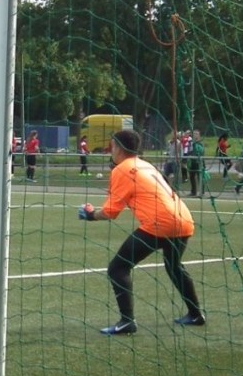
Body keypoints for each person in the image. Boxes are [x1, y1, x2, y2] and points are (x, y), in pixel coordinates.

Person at [77, 130, 204, 335]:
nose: (111, 150)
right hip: (184, 220)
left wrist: (90, 215)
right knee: (174, 267)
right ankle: (196, 314)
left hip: (160, 224)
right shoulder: (145, 164)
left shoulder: (123, 169)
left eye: (112, 146)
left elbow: (110, 212)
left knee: (118, 268)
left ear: (118, 148)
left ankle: (127, 321)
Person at [187, 129, 206, 197]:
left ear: (199, 135)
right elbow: (189, 151)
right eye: (194, 134)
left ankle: (202, 191)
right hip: (192, 162)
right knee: (191, 177)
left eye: (196, 134)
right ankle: (193, 192)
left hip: (199, 162)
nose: (195, 135)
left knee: (199, 177)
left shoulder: (200, 143)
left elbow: (201, 152)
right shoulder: (191, 143)